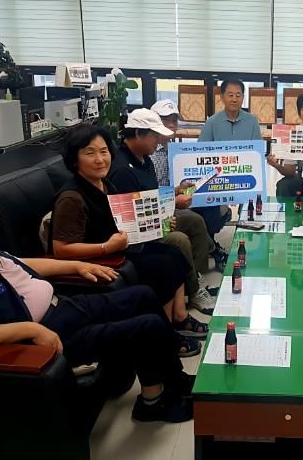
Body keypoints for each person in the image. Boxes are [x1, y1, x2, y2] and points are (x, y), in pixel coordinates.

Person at [0, 177, 194, 423]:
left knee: (143, 295)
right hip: (42, 336)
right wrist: (29, 329)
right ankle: (152, 404)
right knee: (148, 326)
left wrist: (75, 266)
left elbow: (19, 264)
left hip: (61, 307)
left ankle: (176, 379)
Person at [52, 124, 207, 357]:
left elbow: (127, 220)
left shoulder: (105, 185)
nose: (99, 159)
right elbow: (61, 249)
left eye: (104, 151)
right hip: (101, 260)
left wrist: (159, 223)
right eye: (90, 153)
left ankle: (178, 317)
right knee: (163, 266)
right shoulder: (71, 198)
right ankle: (164, 335)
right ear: (75, 159)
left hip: (121, 249)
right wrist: (105, 247)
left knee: (174, 255)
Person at [108, 108, 217, 314]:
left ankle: (196, 278)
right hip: (139, 234)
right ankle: (193, 291)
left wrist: (175, 191)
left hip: (155, 217)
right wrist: (171, 206)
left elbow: (151, 193)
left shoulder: (144, 158)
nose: (158, 141)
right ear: (138, 134)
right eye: (154, 136)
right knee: (179, 240)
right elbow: (132, 216)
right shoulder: (123, 170)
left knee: (195, 221)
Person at [151, 99, 230, 275]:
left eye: (174, 120)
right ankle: (212, 252)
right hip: (161, 208)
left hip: (174, 198)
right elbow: (152, 192)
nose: (172, 125)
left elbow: (175, 184)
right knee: (196, 217)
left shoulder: (174, 150)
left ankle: (205, 259)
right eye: (166, 120)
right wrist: (174, 199)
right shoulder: (150, 154)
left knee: (212, 203)